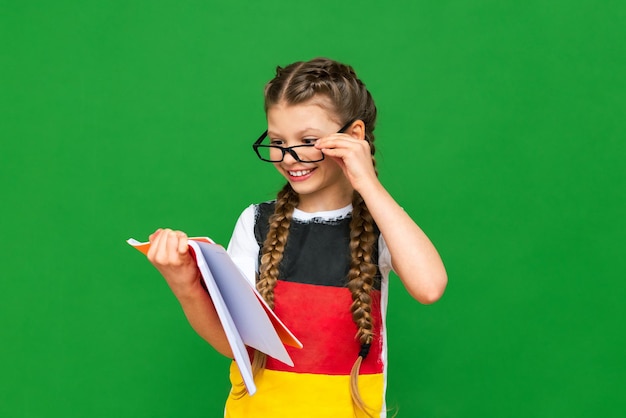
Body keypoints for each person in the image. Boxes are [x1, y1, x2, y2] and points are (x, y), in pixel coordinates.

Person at [146, 57, 447, 418]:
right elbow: (236, 345)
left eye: (307, 140)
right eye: (277, 141)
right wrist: (185, 285)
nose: (289, 157)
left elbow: (429, 287)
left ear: (353, 137)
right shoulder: (256, 222)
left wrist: (366, 182)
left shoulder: (381, 226)